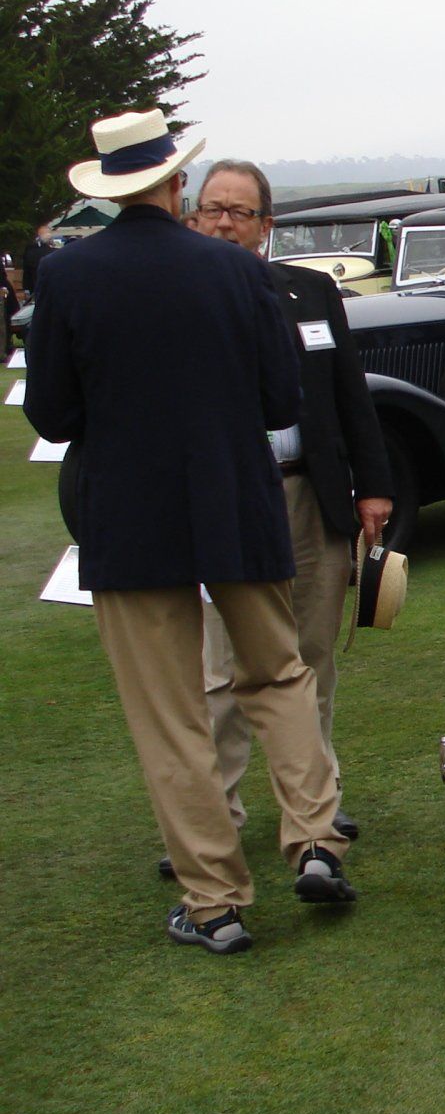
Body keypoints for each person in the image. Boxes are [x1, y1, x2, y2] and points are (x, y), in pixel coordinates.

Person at [25, 110, 357, 956]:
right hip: (237, 501)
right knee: (279, 674)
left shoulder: (67, 276)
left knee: (170, 712)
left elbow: (54, 414)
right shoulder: (235, 271)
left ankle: (215, 898)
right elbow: (283, 402)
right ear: (177, 184)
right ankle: (315, 840)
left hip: (130, 517)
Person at [164, 159, 394, 882]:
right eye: (212, 210)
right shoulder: (174, 297)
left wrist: (373, 487)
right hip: (223, 500)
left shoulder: (312, 292)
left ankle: (314, 810)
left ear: (266, 225)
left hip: (308, 495)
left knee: (310, 655)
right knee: (219, 667)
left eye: (240, 211)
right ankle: (214, 815)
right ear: (194, 219)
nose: (224, 222)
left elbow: (350, 395)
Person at [22, 222, 57, 296]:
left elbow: (26, 272)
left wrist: (26, 288)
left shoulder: (30, 251)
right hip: (53, 287)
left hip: (35, 287)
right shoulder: (55, 253)